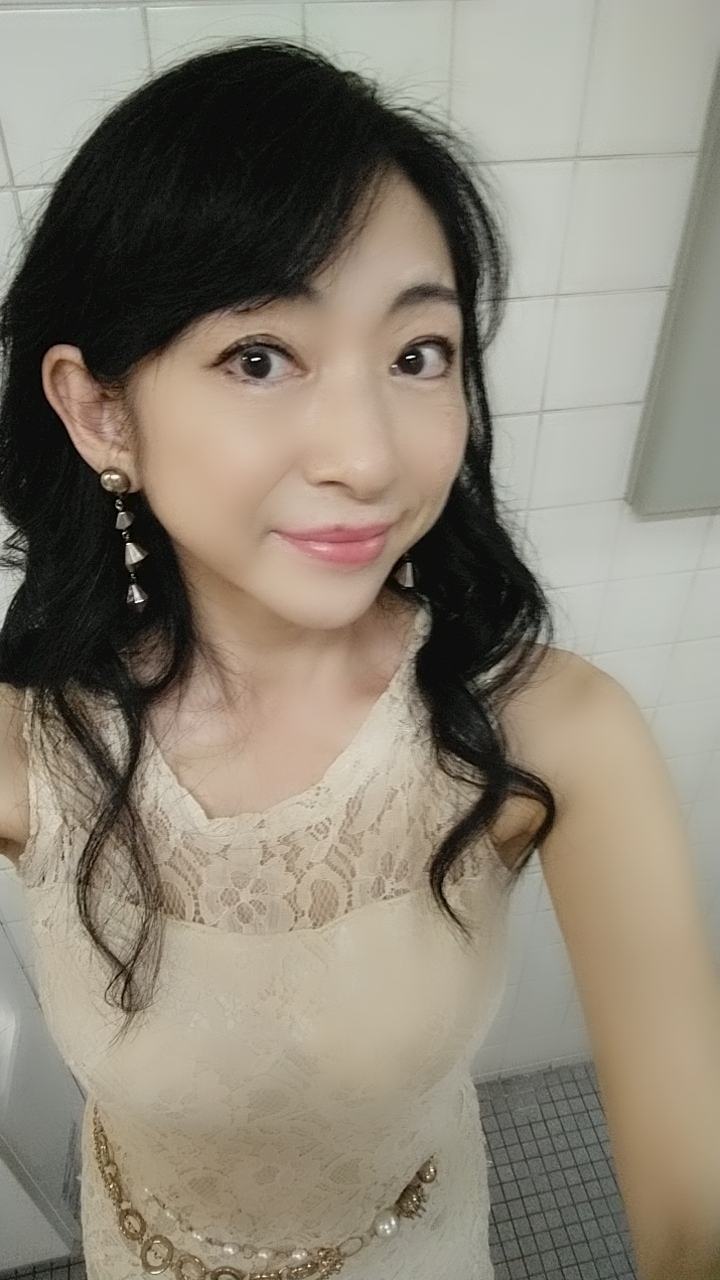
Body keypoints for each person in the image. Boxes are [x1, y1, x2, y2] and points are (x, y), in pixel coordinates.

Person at [0, 38, 718, 1280]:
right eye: (260, 357)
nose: (370, 455)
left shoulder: (557, 733)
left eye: (417, 353)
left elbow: (696, 1203)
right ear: (102, 410)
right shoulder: (30, 745)